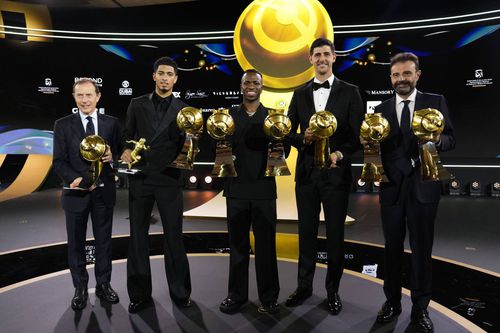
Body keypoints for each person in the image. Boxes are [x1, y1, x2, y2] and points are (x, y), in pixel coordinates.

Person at [373, 52, 455, 332]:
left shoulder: (436, 102)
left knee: (422, 251)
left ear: (417, 75)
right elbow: (377, 149)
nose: (401, 80)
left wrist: (437, 138)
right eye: (396, 75)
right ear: (391, 78)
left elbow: (451, 139)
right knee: (391, 249)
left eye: (406, 74)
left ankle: (420, 309)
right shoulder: (380, 110)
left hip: (424, 187)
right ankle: (392, 303)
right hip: (392, 189)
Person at [286, 37, 364, 314]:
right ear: (310, 59)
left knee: (334, 236)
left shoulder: (351, 92)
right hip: (306, 175)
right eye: (316, 54)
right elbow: (288, 132)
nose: (321, 58)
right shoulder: (299, 93)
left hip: (336, 176)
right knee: (305, 234)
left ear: (334, 58)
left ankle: (332, 291)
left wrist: (340, 154)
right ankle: (303, 287)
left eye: (325, 54)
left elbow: (357, 138)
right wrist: (302, 139)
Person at [120, 56, 192, 313]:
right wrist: (127, 150)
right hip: (141, 178)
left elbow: (190, 146)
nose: (164, 77)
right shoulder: (136, 104)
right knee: (138, 237)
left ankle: (180, 292)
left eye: (169, 74)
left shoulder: (185, 111)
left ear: (175, 78)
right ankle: (139, 294)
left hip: (170, 179)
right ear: (154, 76)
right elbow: (127, 136)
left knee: (174, 237)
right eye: (160, 73)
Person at [53, 78, 121, 311]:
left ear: (98, 96)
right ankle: (80, 288)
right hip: (76, 194)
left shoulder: (112, 124)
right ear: (74, 97)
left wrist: (113, 157)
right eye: (79, 95)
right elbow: (59, 161)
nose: (84, 100)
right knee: (76, 243)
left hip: (104, 194)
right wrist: (75, 178)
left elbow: (121, 153)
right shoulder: (62, 125)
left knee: (104, 242)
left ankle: (104, 285)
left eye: (88, 95)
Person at [218, 69, 283, 315]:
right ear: (241, 86)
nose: (251, 86)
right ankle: (236, 296)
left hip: (264, 190)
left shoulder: (274, 118)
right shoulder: (227, 116)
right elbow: (221, 152)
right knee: (237, 247)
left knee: (266, 248)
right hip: (235, 190)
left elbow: (279, 155)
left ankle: (269, 298)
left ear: (262, 87)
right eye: (247, 82)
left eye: (255, 82)